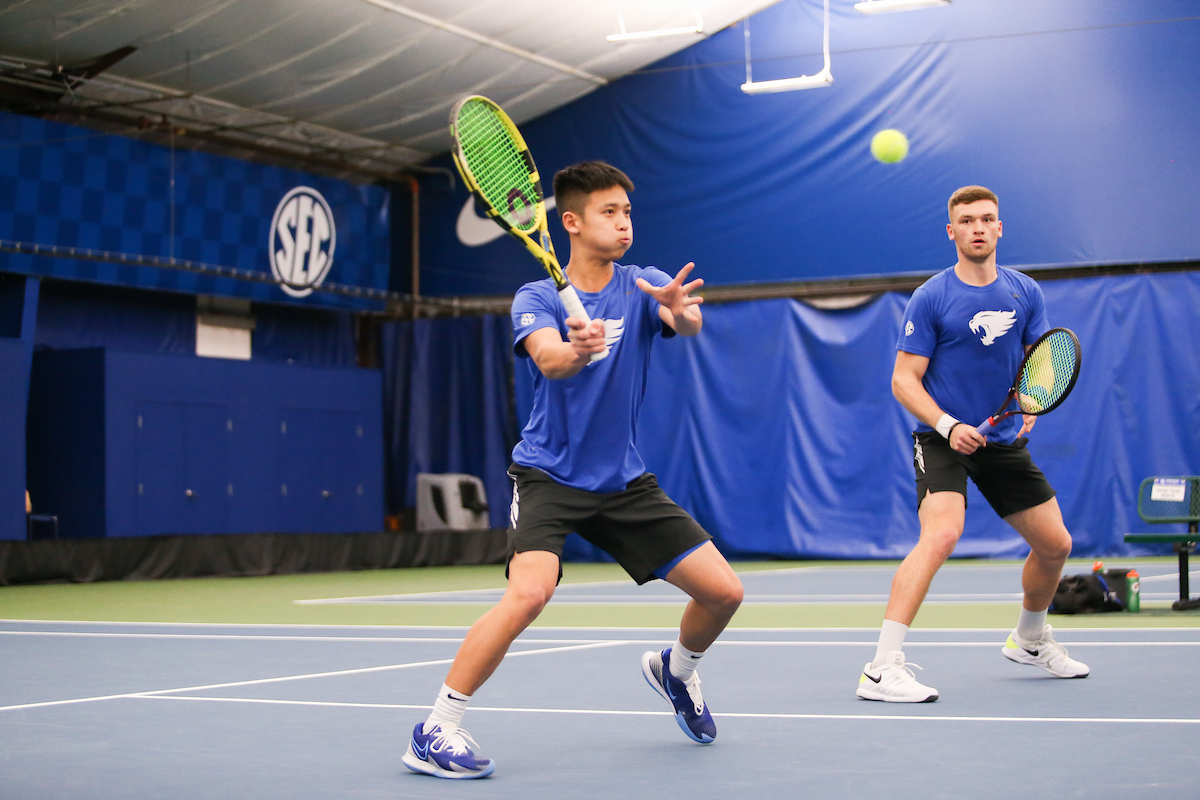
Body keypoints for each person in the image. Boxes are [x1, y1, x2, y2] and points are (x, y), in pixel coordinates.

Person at [402, 161, 744, 779]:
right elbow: (549, 361)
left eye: (628, 213)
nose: (623, 224)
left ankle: (677, 671)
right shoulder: (535, 297)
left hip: (623, 482)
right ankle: (435, 729)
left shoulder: (644, 283)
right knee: (529, 593)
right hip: (548, 479)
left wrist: (681, 310)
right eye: (609, 212)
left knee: (724, 592)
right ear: (570, 222)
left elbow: (686, 322)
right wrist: (577, 350)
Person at [857, 185, 1088, 703]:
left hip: (1000, 438)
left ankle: (1029, 639)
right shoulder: (933, 297)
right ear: (952, 231)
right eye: (967, 221)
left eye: (987, 219)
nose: (978, 228)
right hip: (941, 438)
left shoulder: (1025, 292)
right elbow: (902, 380)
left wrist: (1028, 405)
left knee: (1056, 545)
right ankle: (880, 668)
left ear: (999, 228)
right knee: (941, 535)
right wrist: (945, 425)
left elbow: (1039, 361)